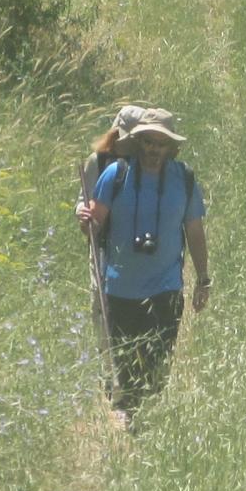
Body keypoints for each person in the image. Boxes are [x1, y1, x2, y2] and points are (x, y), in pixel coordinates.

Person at [85, 109, 208, 422]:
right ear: (139, 143)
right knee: (126, 367)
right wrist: (86, 222)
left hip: (166, 288)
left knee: (158, 365)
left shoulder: (185, 179)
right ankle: (131, 423)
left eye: (161, 143)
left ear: (171, 147)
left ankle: (147, 424)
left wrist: (203, 279)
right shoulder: (116, 175)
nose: (154, 149)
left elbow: (194, 231)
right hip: (120, 287)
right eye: (149, 142)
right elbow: (94, 226)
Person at [76, 104, 150, 347]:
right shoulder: (96, 162)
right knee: (102, 305)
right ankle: (107, 367)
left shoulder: (148, 163)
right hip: (103, 246)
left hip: (137, 248)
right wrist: (83, 214)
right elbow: (84, 201)